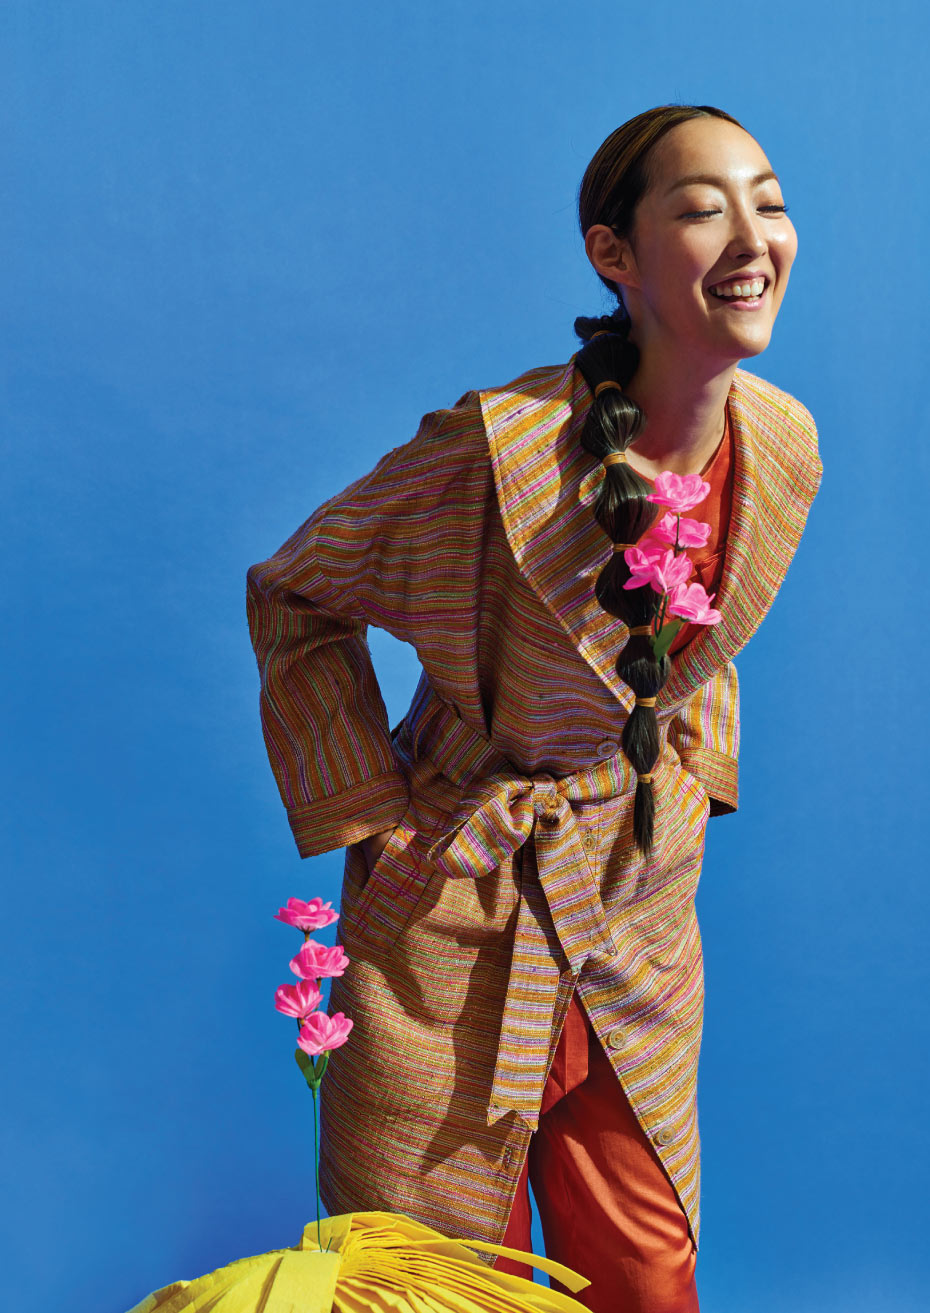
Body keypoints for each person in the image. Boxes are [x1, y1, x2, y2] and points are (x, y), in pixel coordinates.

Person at [246, 103, 822, 1313]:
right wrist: (369, 814)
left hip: (633, 907)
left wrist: (687, 782)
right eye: (703, 207)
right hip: (453, 909)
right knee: (431, 1278)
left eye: (768, 202)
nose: (751, 236)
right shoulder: (498, 451)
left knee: (647, 1266)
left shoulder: (782, 445)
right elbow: (297, 590)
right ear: (614, 253)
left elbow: (703, 643)